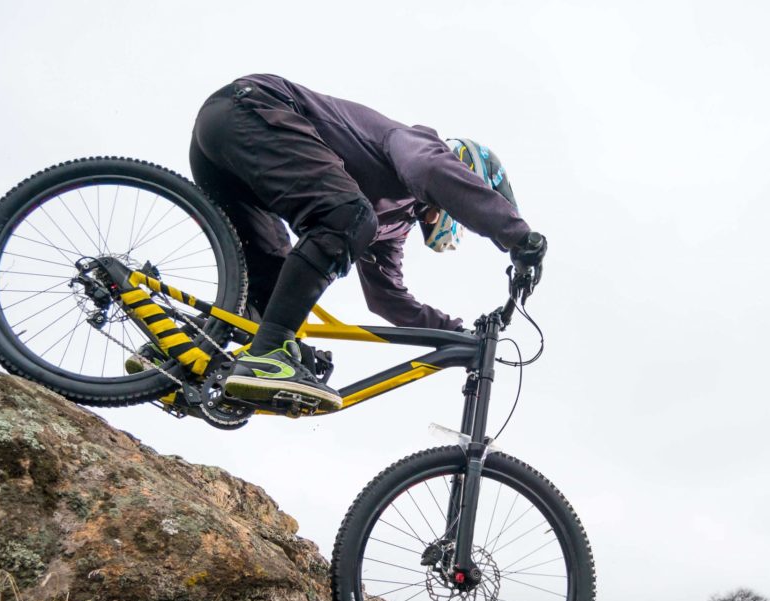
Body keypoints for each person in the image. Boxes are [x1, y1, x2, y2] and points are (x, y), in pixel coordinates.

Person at [186, 74, 547, 412]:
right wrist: (517, 237)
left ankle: (185, 356)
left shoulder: (392, 224)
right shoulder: (417, 143)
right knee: (348, 218)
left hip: (225, 149)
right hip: (252, 111)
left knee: (273, 296)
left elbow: (387, 298)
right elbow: (433, 172)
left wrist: (458, 335)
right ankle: (268, 356)